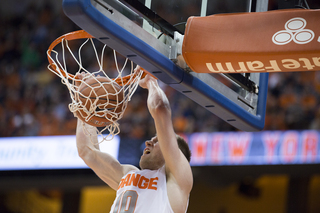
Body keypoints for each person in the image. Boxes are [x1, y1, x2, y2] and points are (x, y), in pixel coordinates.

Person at [75, 66, 193, 213]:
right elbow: (87, 152)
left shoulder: (177, 180)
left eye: (158, 141)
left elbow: (160, 108)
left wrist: (151, 81)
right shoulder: (129, 174)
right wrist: (84, 105)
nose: (149, 142)